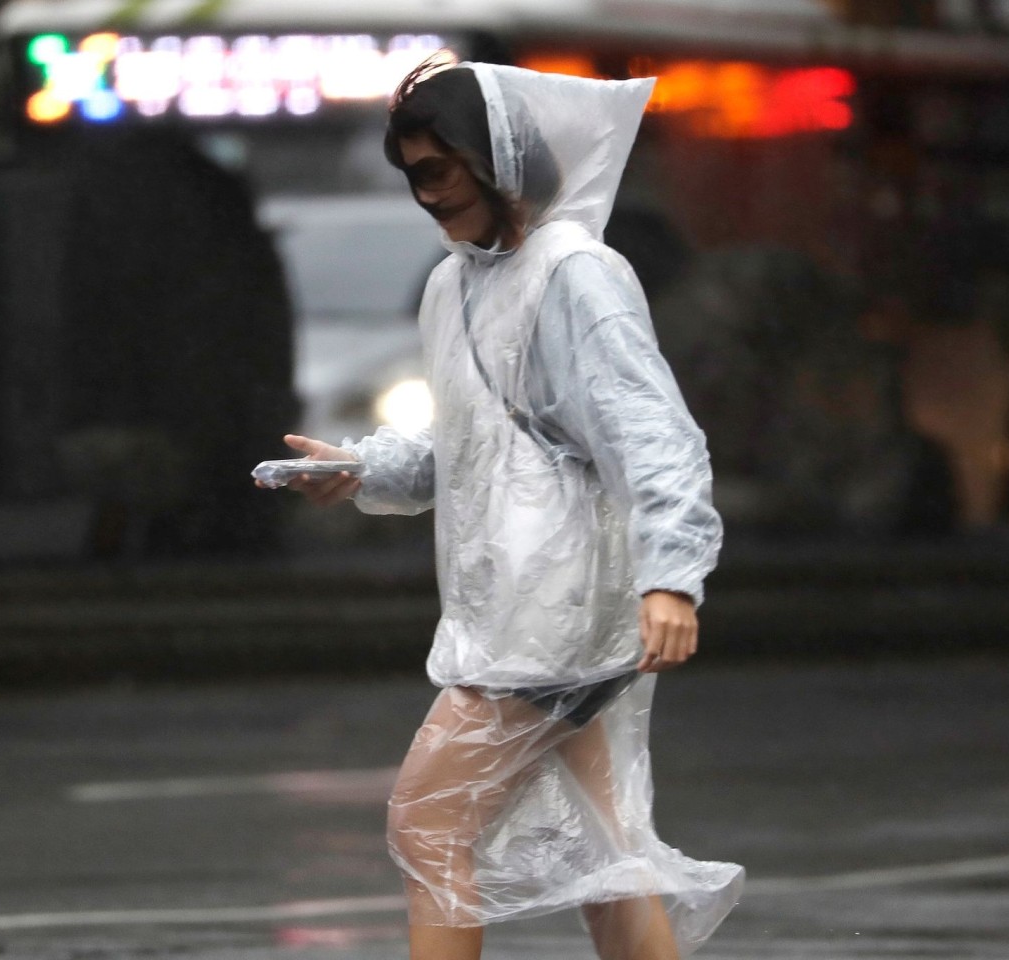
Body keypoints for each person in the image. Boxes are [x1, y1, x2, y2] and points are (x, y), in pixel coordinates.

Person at [262, 55, 742, 960]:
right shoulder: (456, 283)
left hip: (551, 618)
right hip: (511, 610)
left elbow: (654, 434)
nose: (427, 196)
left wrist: (673, 578)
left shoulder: (576, 276)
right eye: (413, 177)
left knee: (427, 824)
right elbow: (476, 446)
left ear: (496, 157)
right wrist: (362, 470)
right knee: (606, 855)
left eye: (439, 170)